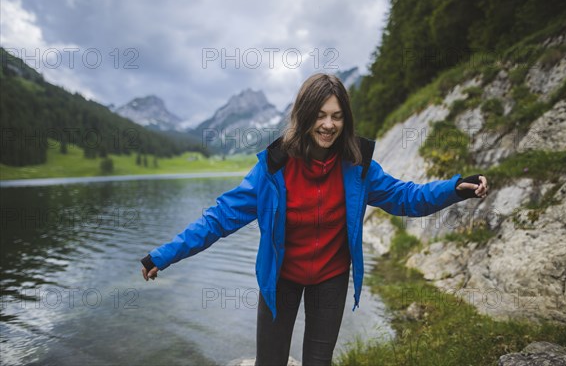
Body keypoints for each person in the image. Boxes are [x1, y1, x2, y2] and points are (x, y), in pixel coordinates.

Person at [140, 73, 489, 366]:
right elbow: (218, 219)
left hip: (331, 278)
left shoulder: (359, 166)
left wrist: (454, 188)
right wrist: (164, 255)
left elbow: (406, 198)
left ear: (345, 119)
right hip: (281, 279)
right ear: (305, 117)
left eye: (337, 116)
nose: (328, 124)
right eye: (320, 115)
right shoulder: (273, 169)